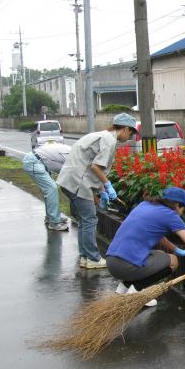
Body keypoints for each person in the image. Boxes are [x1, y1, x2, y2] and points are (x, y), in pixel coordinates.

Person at [106, 186, 185, 305]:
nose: (182, 214)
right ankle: (136, 293)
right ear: (177, 205)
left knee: (160, 255)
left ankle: (121, 291)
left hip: (111, 262)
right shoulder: (170, 215)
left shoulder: (145, 205)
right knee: (173, 261)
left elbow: (158, 234)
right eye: (184, 210)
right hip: (127, 266)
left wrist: (176, 249)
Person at [57, 113, 138, 269]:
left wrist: (101, 191)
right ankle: (93, 258)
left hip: (71, 181)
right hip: (77, 184)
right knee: (89, 220)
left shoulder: (103, 136)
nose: (130, 136)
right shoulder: (109, 141)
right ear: (126, 128)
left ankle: (85, 257)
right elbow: (96, 167)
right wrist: (108, 186)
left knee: (84, 220)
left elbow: (93, 166)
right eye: (131, 133)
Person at [22, 142, 72, 231]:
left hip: (37, 161)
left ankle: (51, 217)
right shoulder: (70, 155)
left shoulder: (70, 151)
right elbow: (68, 173)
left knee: (49, 190)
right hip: (34, 162)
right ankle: (54, 223)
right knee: (51, 189)